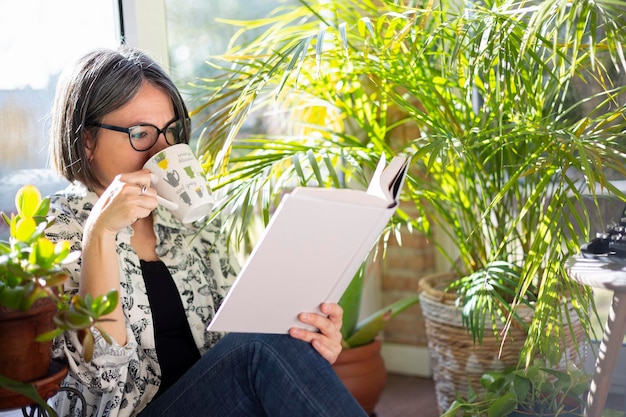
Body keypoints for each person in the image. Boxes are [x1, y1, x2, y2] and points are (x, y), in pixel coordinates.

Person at [45, 46, 368, 417]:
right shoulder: (60, 228)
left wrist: (303, 342)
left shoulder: (187, 221)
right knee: (259, 352)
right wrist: (100, 234)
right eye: (140, 133)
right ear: (87, 141)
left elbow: (235, 343)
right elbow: (99, 385)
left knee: (274, 346)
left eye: (171, 132)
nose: (163, 150)